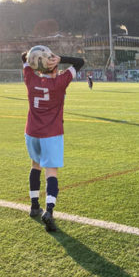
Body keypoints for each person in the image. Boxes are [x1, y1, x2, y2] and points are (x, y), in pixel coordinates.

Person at [22, 46, 84, 232]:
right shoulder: (60, 82)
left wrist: (39, 57)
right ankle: (49, 211)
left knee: (35, 165)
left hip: (32, 131)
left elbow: (23, 56)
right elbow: (79, 62)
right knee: (51, 172)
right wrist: (59, 58)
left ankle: (34, 206)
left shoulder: (30, 78)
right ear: (54, 65)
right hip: (52, 133)